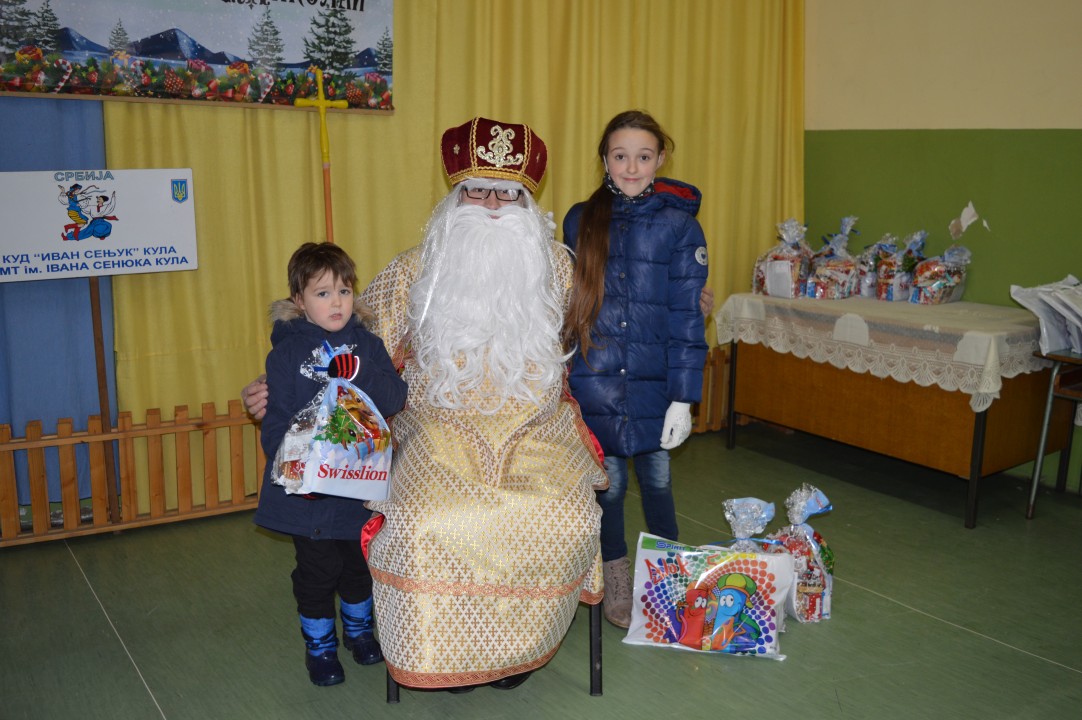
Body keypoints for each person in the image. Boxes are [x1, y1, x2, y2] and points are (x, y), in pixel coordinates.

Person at [244, 117, 606, 692]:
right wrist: (282, 377)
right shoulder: (415, 269)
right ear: (456, 195)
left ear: (526, 202)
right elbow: (346, 339)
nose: (492, 207)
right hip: (437, 429)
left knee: (567, 517)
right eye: (478, 191)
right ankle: (444, 652)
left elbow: (599, 342)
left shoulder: (558, 268)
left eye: (507, 194)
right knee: (423, 523)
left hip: (538, 430)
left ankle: (517, 650)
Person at [561, 110, 708, 629]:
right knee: (612, 487)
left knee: (659, 480)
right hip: (596, 381)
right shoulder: (580, 220)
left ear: (660, 159)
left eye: (643, 157)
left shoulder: (680, 226)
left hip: (655, 383)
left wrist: (683, 397)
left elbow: (687, 317)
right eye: (620, 156)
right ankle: (616, 577)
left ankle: (671, 575)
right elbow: (564, 301)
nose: (631, 167)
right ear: (605, 159)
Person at [252, 242, 407, 687]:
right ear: (299, 301)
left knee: (357, 565)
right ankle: (320, 647)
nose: (336, 302)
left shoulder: (368, 345)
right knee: (318, 571)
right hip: (311, 495)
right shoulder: (286, 354)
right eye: (322, 293)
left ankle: (359, 632)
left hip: (359, 487)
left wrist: (361, 373)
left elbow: (396, 397)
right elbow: (277, 421)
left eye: (343, 290)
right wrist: (296, 466)